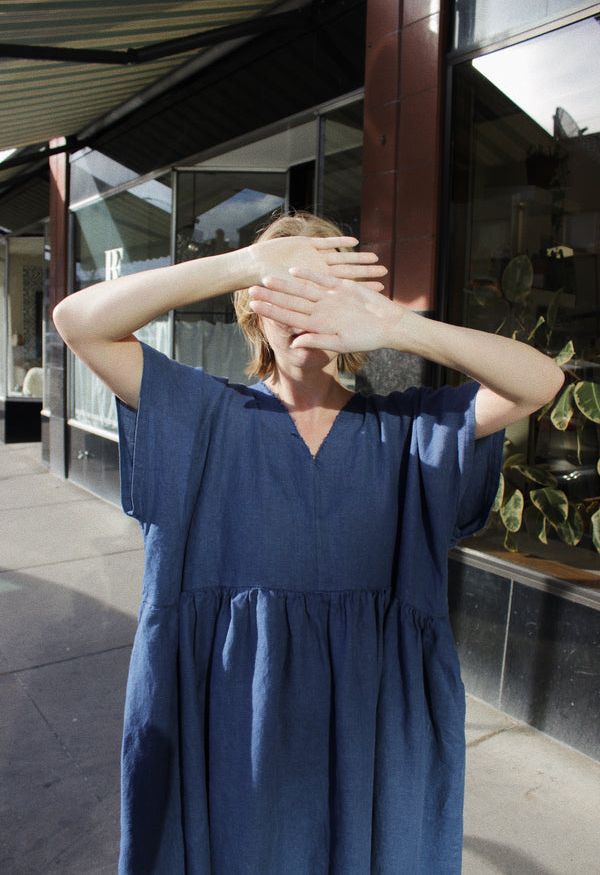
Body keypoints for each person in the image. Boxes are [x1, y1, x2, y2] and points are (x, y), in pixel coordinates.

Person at [53, 212, 563, 874]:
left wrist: (397, 326)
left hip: (372, 731)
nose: (307, 311)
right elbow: (79, 321)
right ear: (252, 309)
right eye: (285, 290)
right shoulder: (201, 418)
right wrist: (243, 264)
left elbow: (541, 382)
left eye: (325, 293)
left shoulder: (409, 433)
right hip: (230, 729)